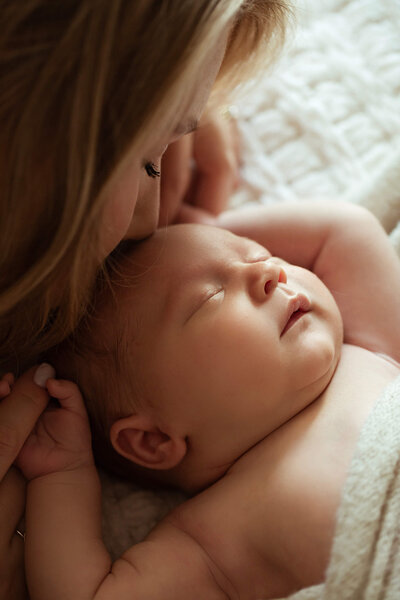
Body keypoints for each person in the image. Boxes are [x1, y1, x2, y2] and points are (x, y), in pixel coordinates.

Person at [0, 1, 289, 597]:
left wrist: (180, 99)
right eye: (144, 165)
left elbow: (348, 231)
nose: (151, 223)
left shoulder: (371, 358)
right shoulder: (213, 538)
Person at [14, 202, 400, 599]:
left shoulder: (372, 349)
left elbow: (346, 227)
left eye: (259, 252)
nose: (270, 272)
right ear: (154, 440)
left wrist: (214, 227)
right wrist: (61, 473)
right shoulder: (214, 539)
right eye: (211, 296)